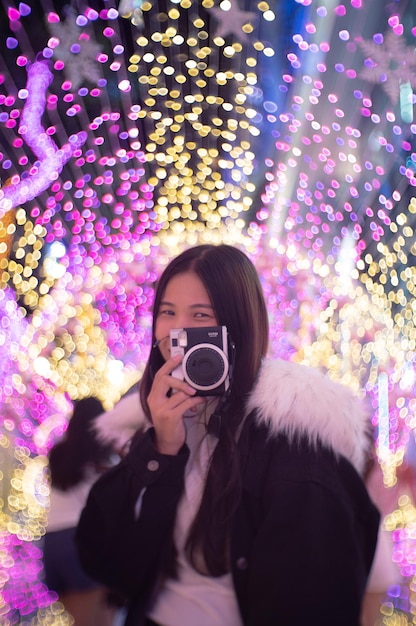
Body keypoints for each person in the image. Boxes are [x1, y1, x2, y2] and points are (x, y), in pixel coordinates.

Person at [76, 244, 380, 626]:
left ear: (239, 326)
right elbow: (104, 561)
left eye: (201, 315)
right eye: (167, 312)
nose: (178, 330)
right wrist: (160, 450)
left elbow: (316, 598)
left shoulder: (296, 442)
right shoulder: (157, 422)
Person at [43, 396, 116, 626]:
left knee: (92, 619)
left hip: (52, 542)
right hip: (84, 541)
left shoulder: (57, 455)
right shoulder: (105, 460)